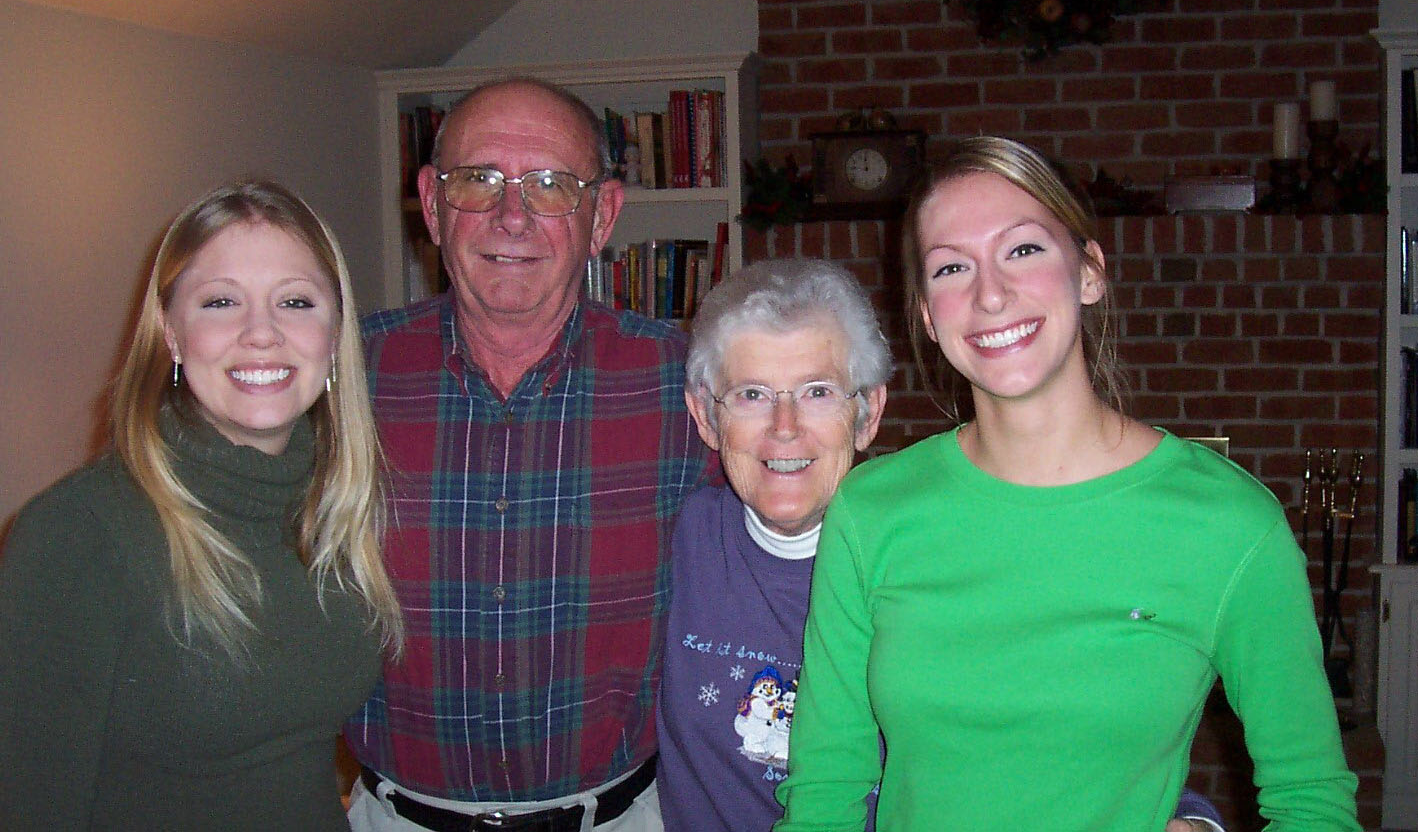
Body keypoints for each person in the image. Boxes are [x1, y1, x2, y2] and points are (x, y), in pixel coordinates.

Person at [775, 137, 1362, 831]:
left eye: (1024, 250)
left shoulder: (1231, 524)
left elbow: (1312, 802)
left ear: (1089, 272)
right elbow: (826, 790)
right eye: (952, 267)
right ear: (929, 318)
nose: (990, 294)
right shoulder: (871, 511)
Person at [658, 258, 1226, 832]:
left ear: (868, 413)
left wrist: (1190, 818)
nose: (785, 427)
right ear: (706, 416)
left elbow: (1087, 729)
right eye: (752, 394)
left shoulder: (952, 552)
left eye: (818, 392)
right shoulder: (675, 546)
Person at [345, 77, 713, 832]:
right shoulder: (345, 378)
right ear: (432, 203)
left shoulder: (690, 388)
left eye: (550, 186)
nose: (511, 215)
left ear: (602, 215)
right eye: (478, 180)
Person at [0, 180, 403, 830]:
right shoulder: (80, 531)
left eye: (295, 301)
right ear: (170, 334)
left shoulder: (332, 509)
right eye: (221, 302)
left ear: (334, 335)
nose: (262, 334)